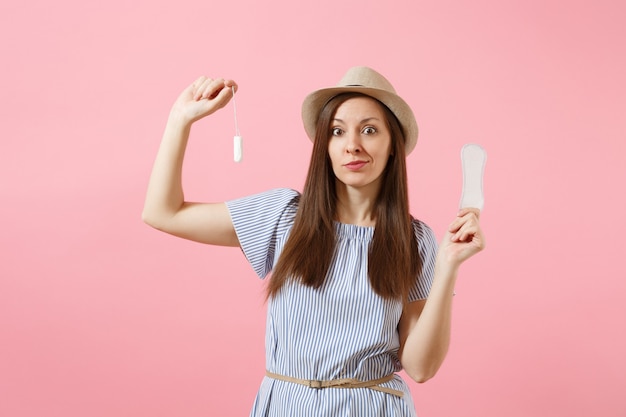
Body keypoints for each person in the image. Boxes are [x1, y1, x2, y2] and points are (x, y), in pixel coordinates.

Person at [142, 66, 485, 416]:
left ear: (393, 144)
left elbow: (421, 367)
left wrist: (448, 267)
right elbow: (162, 212)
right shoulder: (283, 216)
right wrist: (179, 120)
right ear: (325, 145)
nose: (352, 145)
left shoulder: (415, 240)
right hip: (288, 405)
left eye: (369, 130)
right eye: (337, 132)